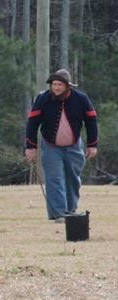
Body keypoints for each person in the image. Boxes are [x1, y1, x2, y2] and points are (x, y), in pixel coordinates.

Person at [24, 68, 98, 222]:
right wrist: (30, 147)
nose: (56, 88)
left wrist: (92, 145)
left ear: (68, 86)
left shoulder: (81, 99)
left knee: (73, 180)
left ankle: (70, 212)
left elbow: (91, 121)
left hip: (74, 146)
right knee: (54, 179)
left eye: (59, 85)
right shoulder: (43, 99)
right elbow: (32, 123)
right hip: (51, 146)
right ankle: (59, 214)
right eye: (54, 84)